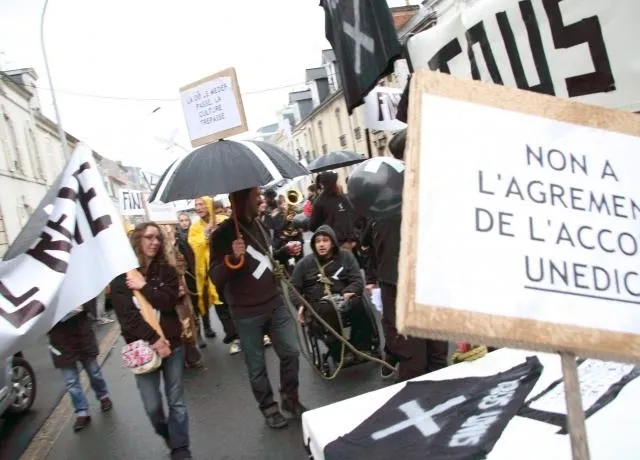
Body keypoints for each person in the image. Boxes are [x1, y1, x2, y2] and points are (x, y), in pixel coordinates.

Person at [210, 187, 306, 429]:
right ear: (242, 199)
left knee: (290, 352)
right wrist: (233, 258)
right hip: (245, 312)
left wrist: (283, 252)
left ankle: (290, 398)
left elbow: (266, 259)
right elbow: (215, 277)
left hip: (274, 302)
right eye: (256, 196)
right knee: (257, 366)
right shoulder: (221, 235)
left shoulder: (260, 225)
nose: (261, 199)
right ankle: (269, 407)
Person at [110, 222, 192, 460]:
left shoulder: (166, 271)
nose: (155, 242)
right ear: (137, 240)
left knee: (176, 401)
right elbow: (128, 318)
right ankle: (168, 434)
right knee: (152, 407)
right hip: (142, 350)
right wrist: (155, 340)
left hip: (173, 345)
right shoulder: (121, 278)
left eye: (158, 238)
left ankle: (181, 448)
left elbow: (167, 302)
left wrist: (144, 286)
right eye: (149, 237)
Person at [366, 215, 449, 382]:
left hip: (430, 286)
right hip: (397, 288)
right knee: (413, 359)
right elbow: (372, 247)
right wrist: (371, 278)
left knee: (437, 353)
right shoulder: (380, 213)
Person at [292, 225, 373, 364]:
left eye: (325, 240)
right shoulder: (304, 264)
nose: (321, 244)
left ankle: (362, 346)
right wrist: (300, 305)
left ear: (333, 242)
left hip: (343, 296)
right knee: (327, 310)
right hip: (319, 303)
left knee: (357, 303)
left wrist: (348, 292)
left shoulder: (346, 256)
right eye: (318, 241)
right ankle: (340, 352)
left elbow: (357, 280)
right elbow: (293, 288)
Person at [182, 197, 240, 354]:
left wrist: (218, 231)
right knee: (221, 306)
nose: (198, 207)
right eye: (196, 205)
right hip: (211, 273)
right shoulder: (195, 228)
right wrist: (206, 234)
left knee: (237, 301)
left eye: (201, 204)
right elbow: (195, 246)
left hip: (229, 267)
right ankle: (234, 337)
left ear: (209, 205)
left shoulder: (222, 221)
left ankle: (256, 332)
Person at [48, 298, 112, 432]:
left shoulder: (76, 287)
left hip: (81, 331)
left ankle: (103, 396)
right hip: (59, 338)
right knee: (71, 381)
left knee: (94, 371)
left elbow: (89, 299)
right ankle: (81, 411)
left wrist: (87, 311)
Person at [309, 172, 358, 251]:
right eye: (336, 181)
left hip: (351, 242)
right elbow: (312, 226)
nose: (338, 184)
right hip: (335, 244)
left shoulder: (341, 197)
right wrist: (327, 236)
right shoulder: (320, 202)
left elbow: (353, 216)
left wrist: (355, 236)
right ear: (331, 183)